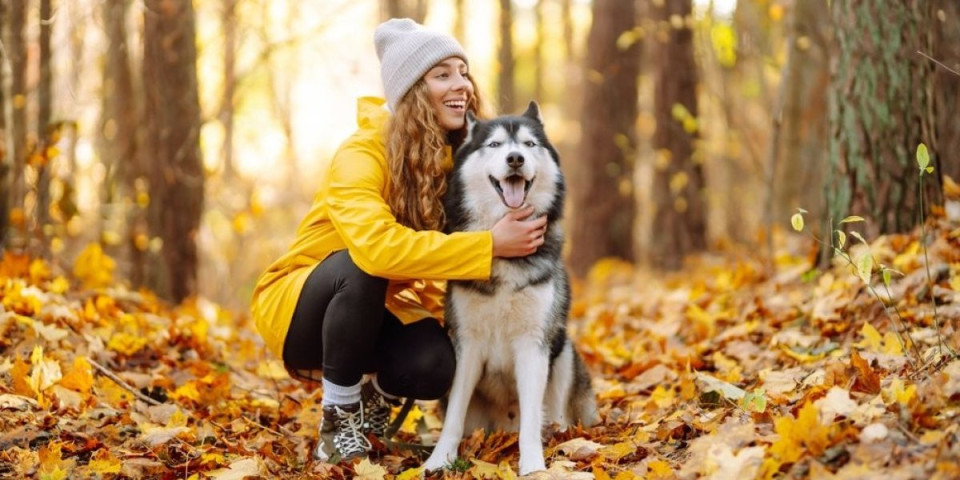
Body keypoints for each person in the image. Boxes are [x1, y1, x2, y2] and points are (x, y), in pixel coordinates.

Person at [250, 18, 547, 463]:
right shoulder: (361, 154)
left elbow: (438, 267)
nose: (462, 84)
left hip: (381, 306)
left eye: (463, 72)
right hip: (301, 309)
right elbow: (378, 250)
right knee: (363, 265)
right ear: (412, 93)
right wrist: (489, 246)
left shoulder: (455, 163)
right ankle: (338, 420)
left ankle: (374, 399)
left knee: (437, 362)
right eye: (442, 74)